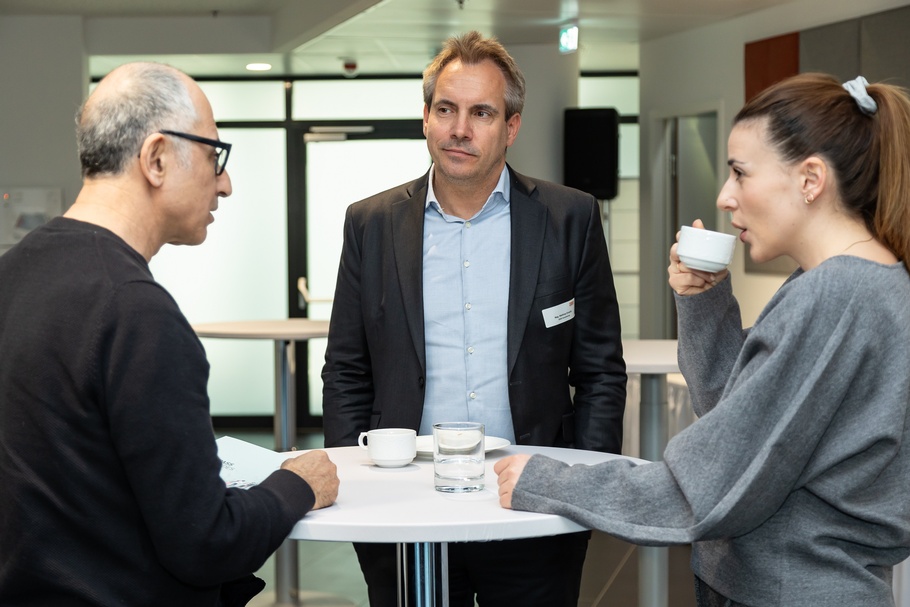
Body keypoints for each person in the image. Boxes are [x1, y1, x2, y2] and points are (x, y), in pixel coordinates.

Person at [495, 72, 910, 607]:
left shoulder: (837, 294)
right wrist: (706, 300)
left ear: (810, 179)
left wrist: (549, 481)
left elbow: (708, 484)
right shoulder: (856, 282)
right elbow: (735, 418)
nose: (724, 197)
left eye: (740, 173)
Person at [0, 62, 340, 607]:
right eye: (214, 156)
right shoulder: (136, 312)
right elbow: (207, 543)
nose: (225, 183)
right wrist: (298, 485)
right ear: (156, 159)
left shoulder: (13, 273)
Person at [321, 30, 627, 606]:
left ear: (511, 127)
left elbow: (600, 371)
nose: (459, 128)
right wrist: (353, 481)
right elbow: (346, 369)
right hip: (400, 503)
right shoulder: (370, 224)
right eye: (446, 109)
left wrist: (584, 485)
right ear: (426, 119)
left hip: (533, 500)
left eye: (481, 113)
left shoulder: (569, 218)